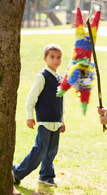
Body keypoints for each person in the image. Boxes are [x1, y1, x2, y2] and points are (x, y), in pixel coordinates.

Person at [13, 43, 65, 187]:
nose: (56, 60)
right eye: (52, 57)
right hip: (44, 121)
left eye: (59, 57)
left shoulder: (61, 78)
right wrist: (30, 116)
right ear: (45, 58)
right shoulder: (42, 77)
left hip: (56, 121)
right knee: (40, 150)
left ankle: (46, 176)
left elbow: (62, 101)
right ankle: (17, 173)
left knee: (52, 151)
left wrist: (62, 120)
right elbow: (31, 98)